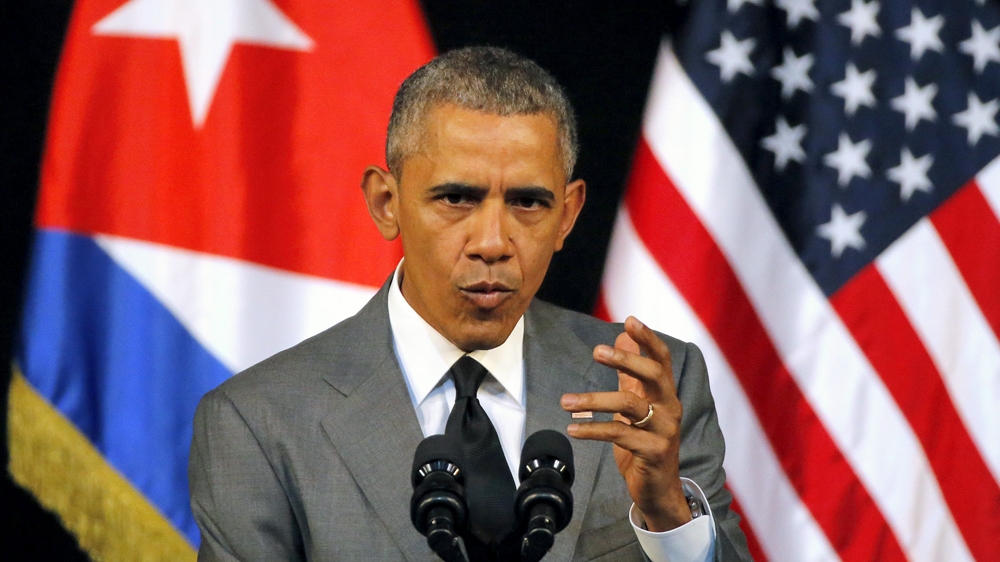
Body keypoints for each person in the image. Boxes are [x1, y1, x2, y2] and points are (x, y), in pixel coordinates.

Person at [189, 46, 752, 561]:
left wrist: (668, 514)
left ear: (567, 215)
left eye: (527, 202)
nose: (492, 242)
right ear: (386, 203)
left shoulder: (649, 390)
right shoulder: (258, 423)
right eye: (457, 198)